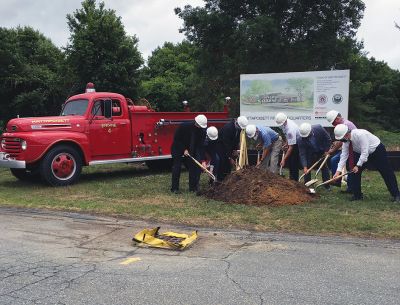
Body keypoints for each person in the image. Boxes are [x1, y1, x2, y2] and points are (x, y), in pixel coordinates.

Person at [333, 124, 400, 202]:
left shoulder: (360, 135)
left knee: (386, 172)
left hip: (376, 151)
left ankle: (396, 195)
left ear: (346, 134)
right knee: (354, 171)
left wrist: (358, 165)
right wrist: (338, 172)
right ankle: (357, 196)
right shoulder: (346, 141)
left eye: (342, 138)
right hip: (360, 152)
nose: (341, 141)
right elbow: (343, 156)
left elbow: (365, 152)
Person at [170, 114, 207, 193]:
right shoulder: (184, 126)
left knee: (194, 166)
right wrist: (184, 149)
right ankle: (175, 188)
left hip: (191, 149)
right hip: (178, 148)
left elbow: (201, 146)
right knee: (177, 167)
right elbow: (176, 139)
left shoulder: (202, 131)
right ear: (196, 122)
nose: (200, 127)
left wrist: (203, 160)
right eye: (199, 125)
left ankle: (193, 187)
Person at [326, 110, 357, 192]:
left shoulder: (346, 125)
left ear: (337, 118)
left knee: (349, 166)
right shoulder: (343, 124)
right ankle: (337, 180)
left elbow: (341, 142)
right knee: (334, 160)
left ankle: (350, 188)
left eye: (333, 122)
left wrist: (332, 150)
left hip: (354, 149)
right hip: (347, 147)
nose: (333, 125)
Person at [297, 123, 331, 187]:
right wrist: (305, 166)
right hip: (310, 152)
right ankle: (307, 185)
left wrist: (326, 151)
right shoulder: (300, 139)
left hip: (321, 150)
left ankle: (326, 185)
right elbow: (302, 153)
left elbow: (328, 139)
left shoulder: (319, 128)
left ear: (310, 131)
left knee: (323, 166)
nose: (306, 137)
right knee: (307, 168)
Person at [216, 116, 248, 180]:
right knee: (223, 162)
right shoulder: (228, 128)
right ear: (237, 123)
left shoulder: (238, 129)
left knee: (228, 166)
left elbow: (236, 141)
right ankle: (220, 180)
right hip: (221, 146)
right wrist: (229, 157)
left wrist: (235, 150)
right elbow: (226, 144)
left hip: (229, 146)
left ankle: (227, 179)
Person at [275, 112, 300, 181]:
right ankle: (291, 178)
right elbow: (287, 136)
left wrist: (284, 159)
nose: (280, 125)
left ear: (285, 121)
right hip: (293, 142)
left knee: (293, 162)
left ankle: (294, 180)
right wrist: (286, 143)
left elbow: (291, 147)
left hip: (297, 144)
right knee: (291, 162)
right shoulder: (286, 123)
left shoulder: (290, 129)